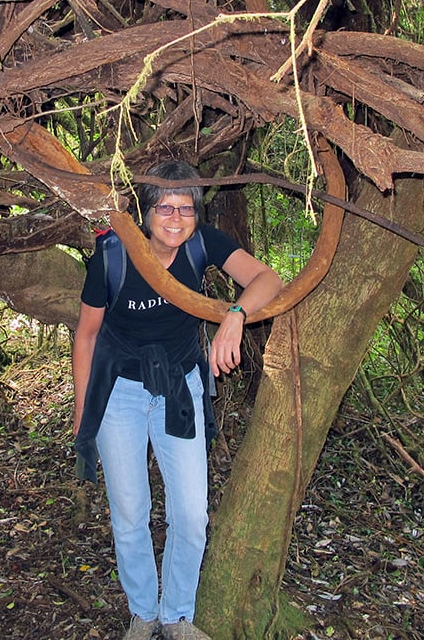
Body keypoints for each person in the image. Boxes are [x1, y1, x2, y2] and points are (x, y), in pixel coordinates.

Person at [72, 161, 283, 640]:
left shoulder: (202, 244)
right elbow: (85, 336)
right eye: (165, 206)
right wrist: (83, 413)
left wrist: (234, 315)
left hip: (180, 387)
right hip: (119, 391)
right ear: (146, 211)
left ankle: (177, 616)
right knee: (130, 511)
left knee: (191, 514)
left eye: (186, 208)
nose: (176, 217)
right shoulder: (112, 254)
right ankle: (144, 612)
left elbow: (267, 281)